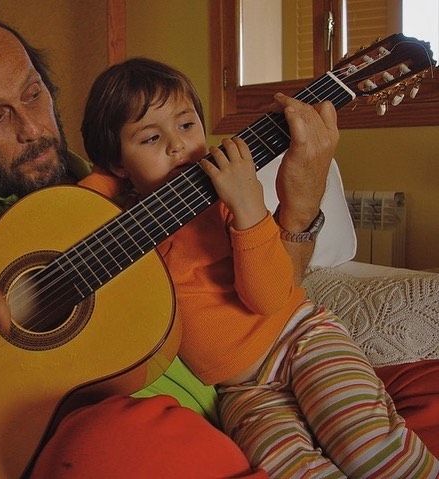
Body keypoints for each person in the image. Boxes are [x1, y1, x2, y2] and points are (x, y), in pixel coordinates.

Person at [0, 15, 350, 479]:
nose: (32, 127)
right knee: (113, 437)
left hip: (248, 407)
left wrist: (298, 210)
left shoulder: (144, 183)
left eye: (33, 94)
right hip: (129, 451)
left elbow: (270, 294)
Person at [78, 57, 439, 478]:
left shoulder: (227, 197)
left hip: (300, 340)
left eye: (187, 125)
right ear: (118, 164)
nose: (176, 145)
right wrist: (108, 182)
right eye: (150, 137)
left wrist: (249, 207)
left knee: (369, 444)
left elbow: (269, 296)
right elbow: (75, 201)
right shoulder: (117, 225)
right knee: (292, 470)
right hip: (242, 390)